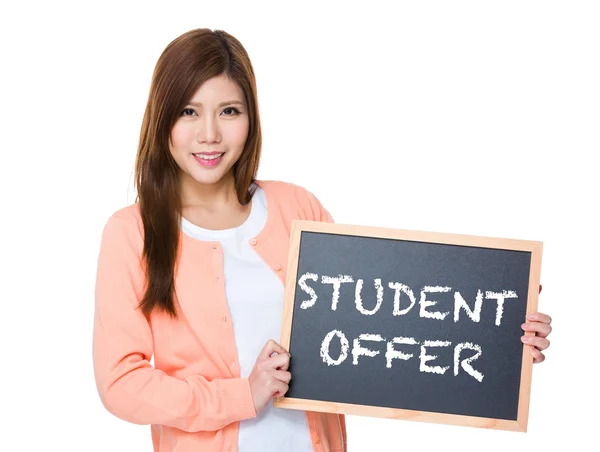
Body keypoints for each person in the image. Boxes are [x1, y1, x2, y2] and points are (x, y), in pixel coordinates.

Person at [93, 28, 553, 452]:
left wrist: (497, 339)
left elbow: (380, 327)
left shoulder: (298, 209)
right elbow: (120, 383)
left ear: (251, 117)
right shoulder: (131, 232)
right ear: (162, 119)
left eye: (228, 111)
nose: (209, 134)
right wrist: (239, 396)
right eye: (188, 111)